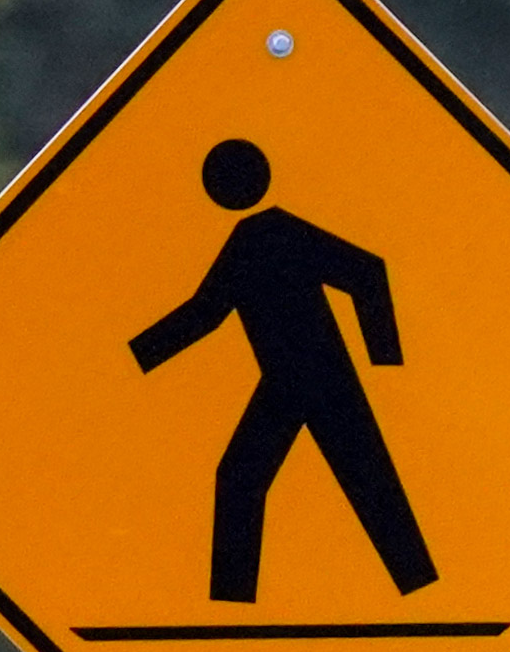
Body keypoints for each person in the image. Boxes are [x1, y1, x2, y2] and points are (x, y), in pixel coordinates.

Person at [129, 139, 437, 604]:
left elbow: (367, 272)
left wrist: (386, 358)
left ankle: (421, 590)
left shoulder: (274, 233)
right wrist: (138, 355)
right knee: (243, 477)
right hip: (286, 380)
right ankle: (232, 607)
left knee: (366, 479)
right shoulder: (250, 238)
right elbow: (207, 313)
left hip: (323, 375)